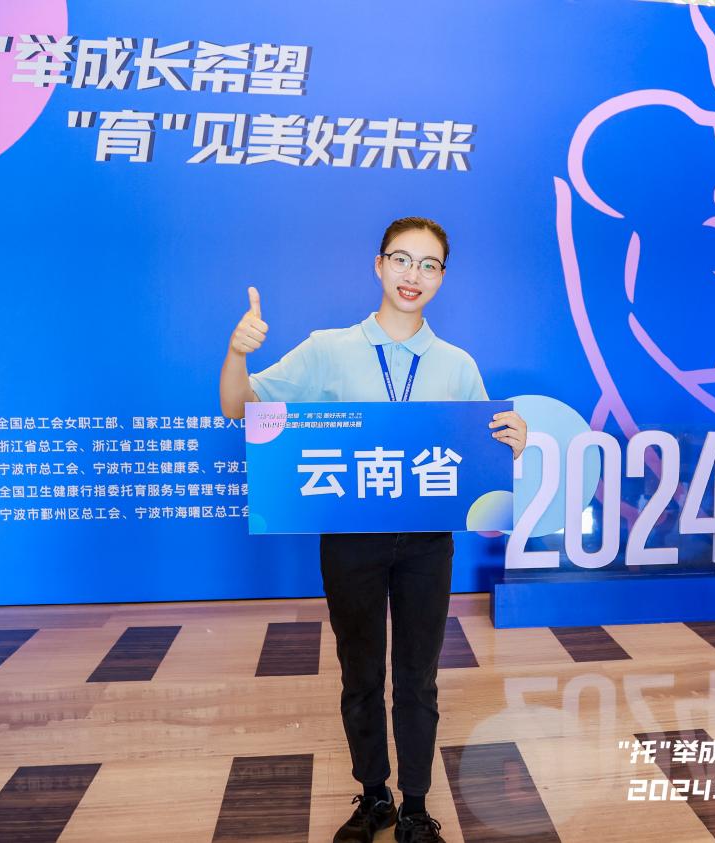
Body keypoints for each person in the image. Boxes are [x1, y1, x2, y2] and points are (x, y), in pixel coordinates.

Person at [220, 217, 527, 843]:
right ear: (379, 265)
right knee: (360, 672)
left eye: (430, 265)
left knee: (418, 676)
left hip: (426, 544)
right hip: (350, 541)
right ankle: (374, 796)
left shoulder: (457, 365)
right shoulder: (327, 349)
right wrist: (237, 354)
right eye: (402, 259)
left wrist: (514, 442)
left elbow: (482, 454)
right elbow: (239, 409)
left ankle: (414, 805)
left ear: (442, 277)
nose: (414, 275)